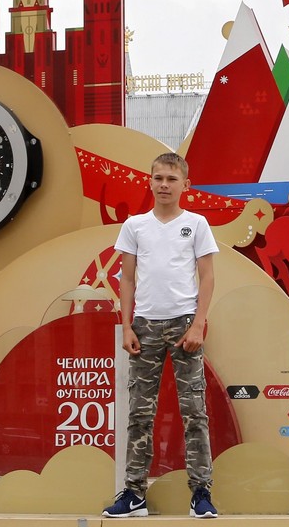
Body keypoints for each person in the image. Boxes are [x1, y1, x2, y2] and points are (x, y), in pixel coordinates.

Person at [103, 153, 219, 519]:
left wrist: (199, 322)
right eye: (158, 178)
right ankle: (134, 493)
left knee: (194, 411)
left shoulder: (197, 224)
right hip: (145, 326)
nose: (164, 184)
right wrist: (126, 325)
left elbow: (208, 276)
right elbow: (125, 278)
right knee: (139, 412)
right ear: (149, 182)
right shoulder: (135, 226)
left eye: (171, 178)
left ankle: (201, 492)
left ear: (186, 184)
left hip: (186, 324)